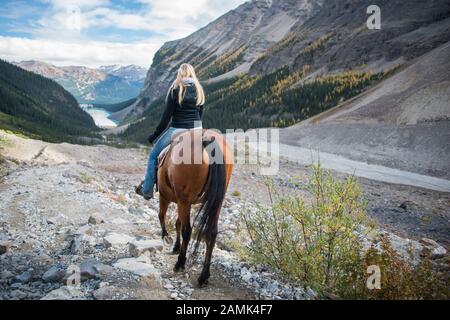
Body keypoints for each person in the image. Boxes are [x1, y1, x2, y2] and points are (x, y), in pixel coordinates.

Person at [135, 63, 205, 200]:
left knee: (153, 156)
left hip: (178, 129)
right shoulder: (199, 90)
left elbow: (166, 117)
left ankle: (147, 190)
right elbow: (200, 114)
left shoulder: (175, 89)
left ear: (179, 74)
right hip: (197, 129)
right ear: (192, 73)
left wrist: (154, 135)